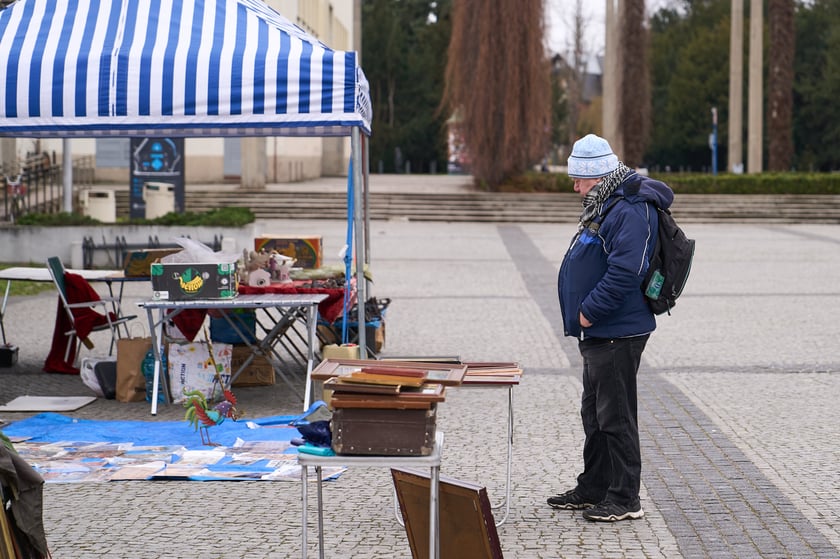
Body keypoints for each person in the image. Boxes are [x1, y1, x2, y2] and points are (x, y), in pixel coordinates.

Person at [549, 134, 674, 522]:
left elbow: (625, 271)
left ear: (598, 175)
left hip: (618, 329)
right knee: (595, 413)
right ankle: (594, 487)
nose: (575, 186)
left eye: (579, 179)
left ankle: (624, 497)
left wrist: (588, 312)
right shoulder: (607, 202)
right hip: (600, 331)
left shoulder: (631, 208)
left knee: (616, 415)